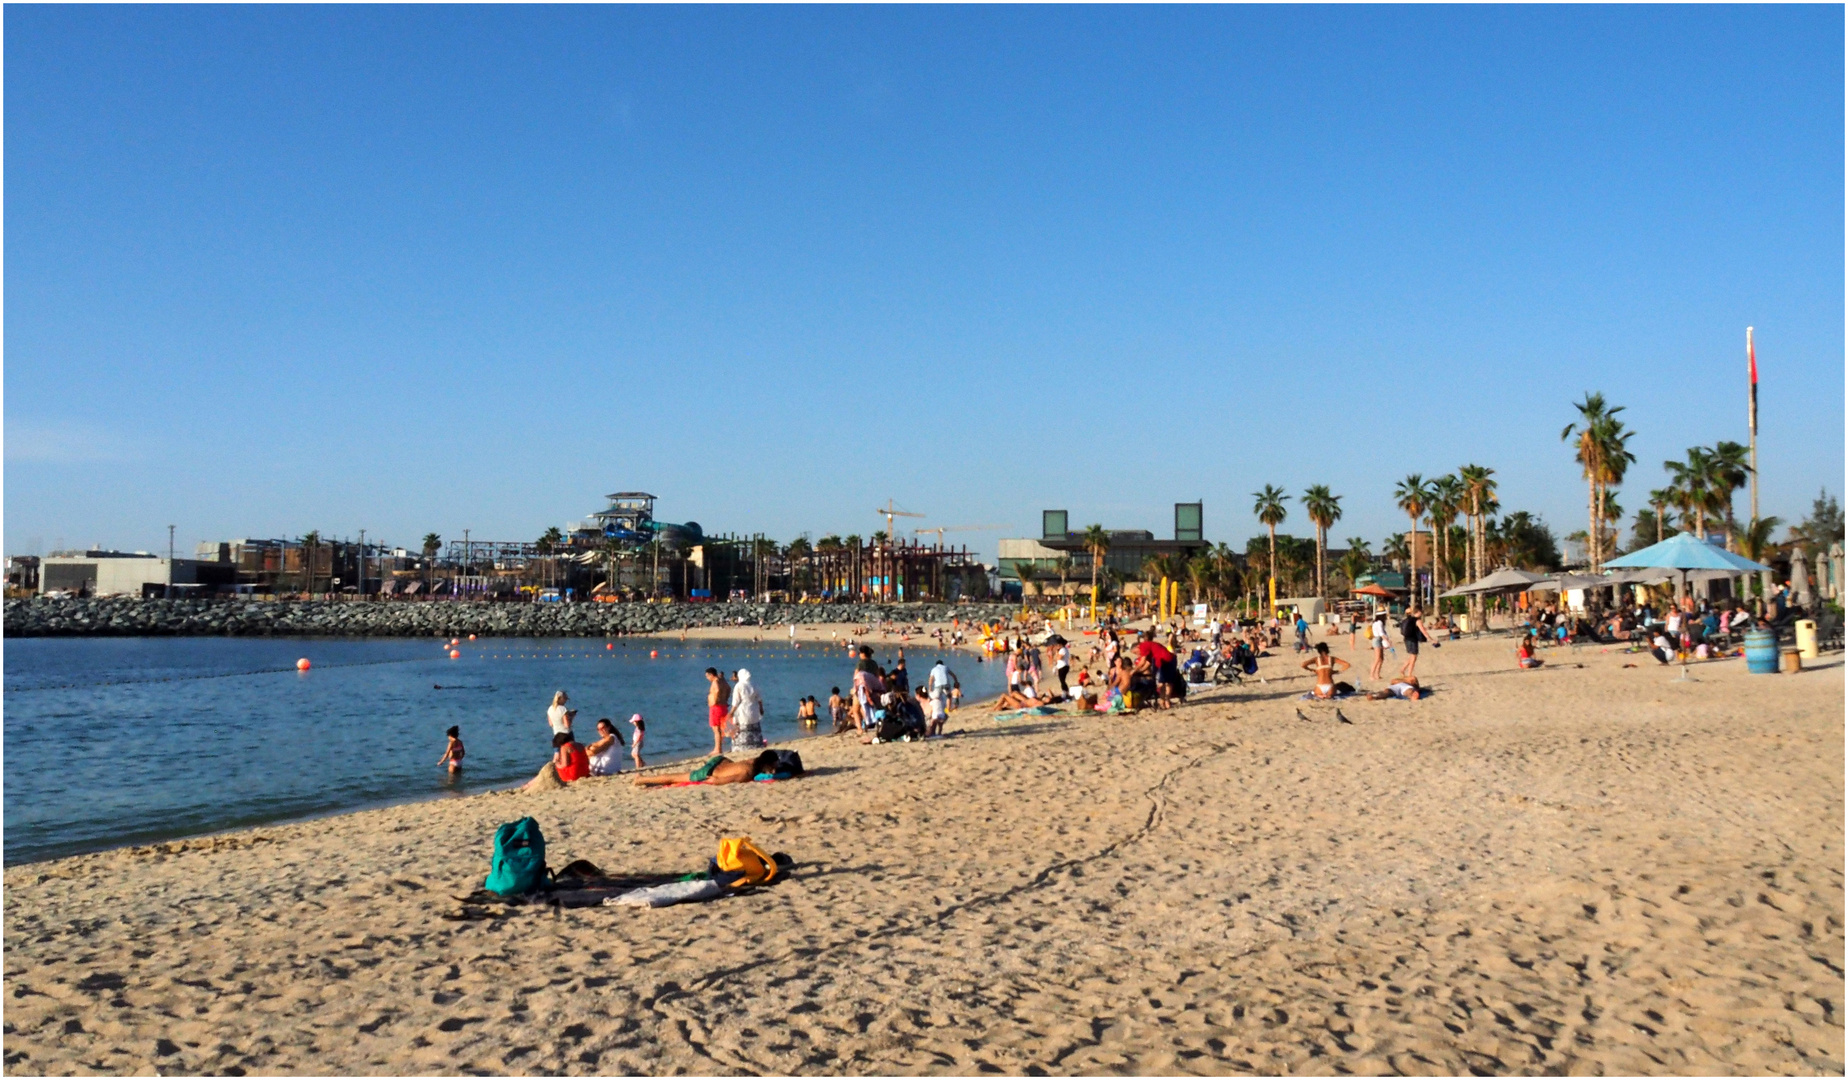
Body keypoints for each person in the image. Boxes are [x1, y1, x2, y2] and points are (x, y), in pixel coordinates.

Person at [633, 750, 786, 788]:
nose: (774, 769)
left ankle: (642, 778)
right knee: (676, 777)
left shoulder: (753, 761)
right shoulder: (748, 772)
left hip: (721, 760)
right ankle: (641, 779)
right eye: (773, 766)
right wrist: (712, 781)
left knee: (678, 776)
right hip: (710, 771)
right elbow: (723, 780)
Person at [729, 668, 766, 749]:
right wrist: (761, 709)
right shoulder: (754, 685)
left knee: (741, 727)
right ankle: (756, 744)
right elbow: (759, 699)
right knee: (754, 727)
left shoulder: (739, 685)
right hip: (753, 709)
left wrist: (731, 712)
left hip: (742, 709)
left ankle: (742, 746)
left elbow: (736, 701)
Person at [705, 668, 731, 755]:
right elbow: (729, 688)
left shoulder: (715, 682)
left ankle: (717, 749)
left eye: (707, 676)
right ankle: (718, 748)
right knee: (719, 728)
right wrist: (726, 699)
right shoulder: (722, 681)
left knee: (716, 729)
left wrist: (714, 701)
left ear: (711, 675)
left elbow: (717, 690)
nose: (707, 678)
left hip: (716, 707)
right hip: (723, 706)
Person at [1398, 608, 1426, 680]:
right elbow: (1423, 631)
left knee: (1411, 656)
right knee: (1413, 657)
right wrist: (1430, 639)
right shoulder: (1416, 620)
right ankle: (1409, 674)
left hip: (1406, 639)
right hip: (1412, 640)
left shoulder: (1406, 620)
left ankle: (1402, 670)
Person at [1368, 611, 1389, 683]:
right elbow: (1381, 632)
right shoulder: (1379, 622)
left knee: (1381, 658)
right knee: (1377, 659)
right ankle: (1371, 675)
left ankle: (1377, 674)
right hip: (1377, 640)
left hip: (1378, 639)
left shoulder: (1376, 622)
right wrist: (1386, 640)